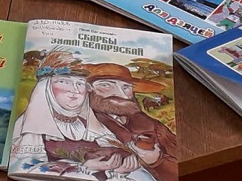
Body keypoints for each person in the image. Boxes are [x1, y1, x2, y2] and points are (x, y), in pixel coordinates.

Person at [10, 51, 141, 180]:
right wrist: (84, 168)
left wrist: (119, 172)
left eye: (80, 83)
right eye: (63, 82)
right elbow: (23, 168)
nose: (75, 90)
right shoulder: (33, 127)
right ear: (46, 88)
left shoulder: (93, 127)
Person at [87, 63, 178, 181]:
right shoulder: (80, 123)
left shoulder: (151, 124)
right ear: (89, 88)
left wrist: (157, 161)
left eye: (126, 87)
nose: (121, 94)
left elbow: (180, 167)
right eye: (106, 85)